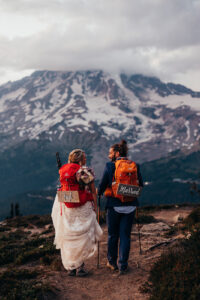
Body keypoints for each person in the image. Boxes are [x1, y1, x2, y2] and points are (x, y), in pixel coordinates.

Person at [52, 149, 102, 277]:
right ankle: (80, 267)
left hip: (67, 207)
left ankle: (72, 267)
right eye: (84, 157)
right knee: (82, 236)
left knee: (70, 236)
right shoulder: (84, 171)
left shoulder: (63, 169)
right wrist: (96, 206)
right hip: (82, 205)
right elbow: (92, 190)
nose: (85, 159)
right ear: (80, 159)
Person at [98, 140, 143, 275]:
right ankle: (123, 264)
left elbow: (102, 185)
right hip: (130, 206)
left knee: (113, 235)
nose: (108, 155)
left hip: (114, 205)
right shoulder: (135, 166)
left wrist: (98, 194)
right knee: (125, 236)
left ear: (117, 153)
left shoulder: (110, 166)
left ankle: (112, 262)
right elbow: (140, 184)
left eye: (110, 153)